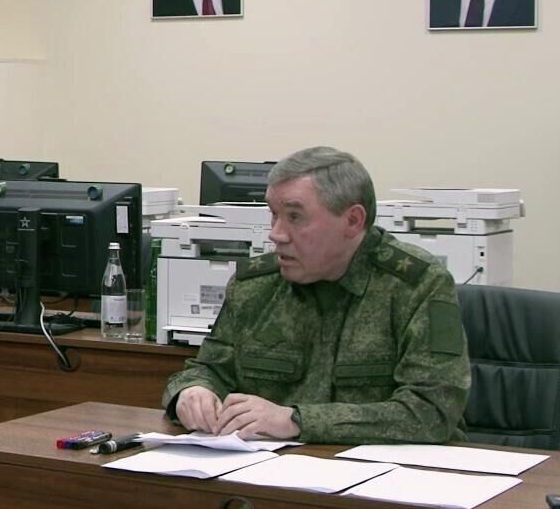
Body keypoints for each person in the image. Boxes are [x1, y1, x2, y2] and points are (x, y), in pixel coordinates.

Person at [162, 147, 469, 444]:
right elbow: (210, 369)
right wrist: (193, 391)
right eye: (274, 215)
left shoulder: (418, 285)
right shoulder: (254, 286)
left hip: (389, 472)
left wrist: (296, 421)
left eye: (295, 217)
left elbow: (432, 411)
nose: (276, 233)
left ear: (352, 220)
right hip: (271, 467)